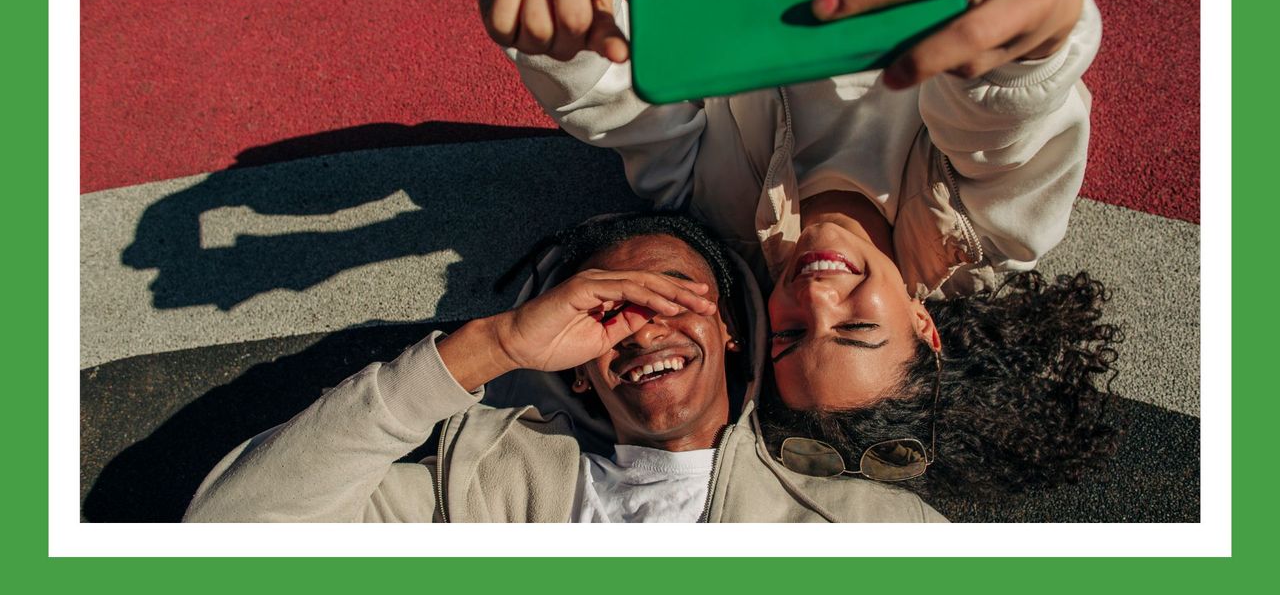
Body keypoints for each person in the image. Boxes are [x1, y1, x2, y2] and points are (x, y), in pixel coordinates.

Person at [477, 0, 1120, 496]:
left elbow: (633, 116)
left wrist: (563, 47)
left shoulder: (717, 227)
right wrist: (1028, 41)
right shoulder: (990, 232)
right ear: (926, 326)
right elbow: (1004, 118)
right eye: (857, 324)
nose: (814, 296)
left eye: (788, 336)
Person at [183, 213, 946, 522]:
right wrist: (494, 347)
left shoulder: (859, 525)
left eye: (677, 297)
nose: (645, 329)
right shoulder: (471, 496)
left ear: (733, 333)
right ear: (577, 370)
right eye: (608, 313)